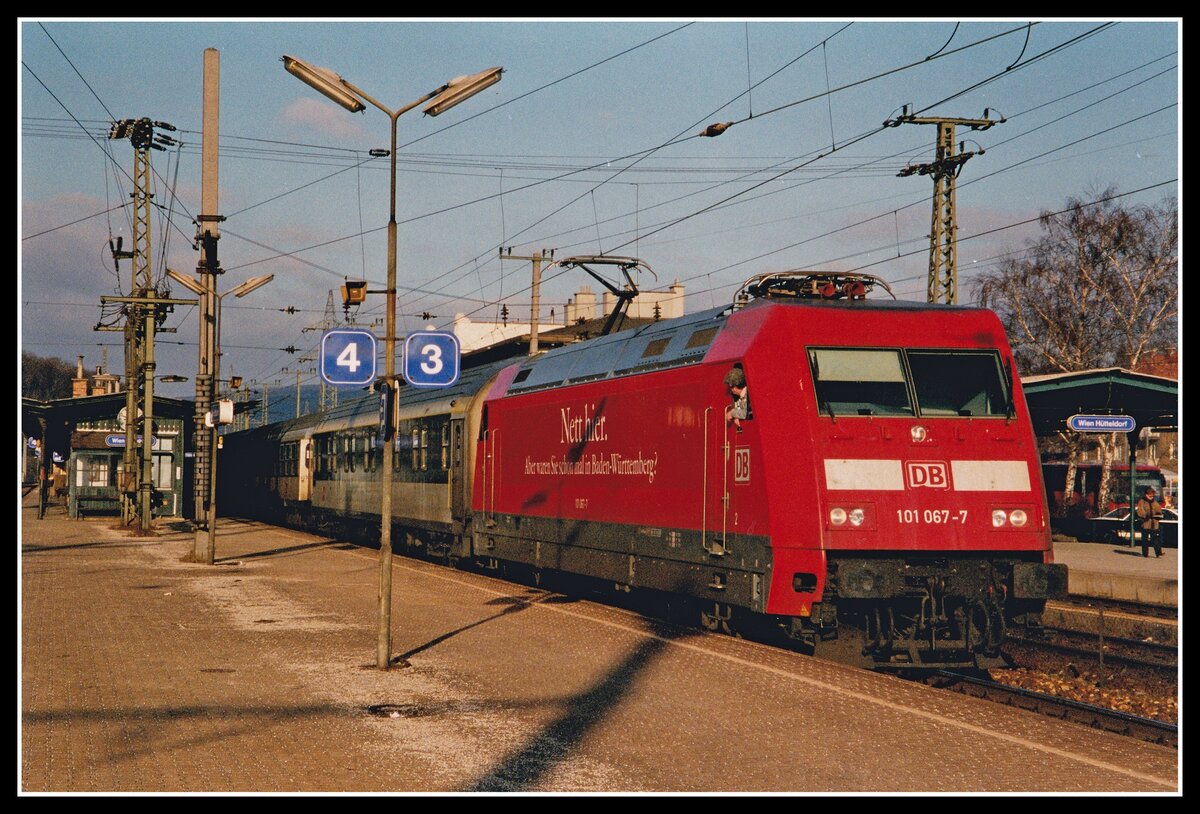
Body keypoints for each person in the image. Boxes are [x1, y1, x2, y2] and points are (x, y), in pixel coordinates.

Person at [1135, 486, 1164, 558]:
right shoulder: (1142, 501)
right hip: (1145, 523)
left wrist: (1158, 515)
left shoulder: (1155, 502)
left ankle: (1158, 553)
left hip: (1154, 524)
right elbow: (1140, 511)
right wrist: (1146, 515)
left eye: (1152, 496)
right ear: (1146, 495)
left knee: (1155, 539)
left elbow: (1159, 510)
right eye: (1150, 496)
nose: (1151, 497)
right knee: (1145, 539)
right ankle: (1145, 554)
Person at [724, 367, 750, 432]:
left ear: (735, 386)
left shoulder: (747, 396)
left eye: (731, 387)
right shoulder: (743, 396)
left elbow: (745, 413)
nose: (731, 390)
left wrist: (731, 413)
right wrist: (737, 417)